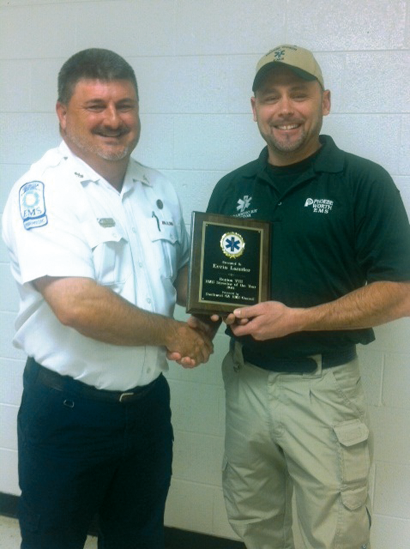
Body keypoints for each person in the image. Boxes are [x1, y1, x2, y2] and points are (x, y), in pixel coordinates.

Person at [200, 44, 410, 549]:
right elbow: (214, 287)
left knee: (334, 534)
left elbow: (400, 292)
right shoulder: (233, 188)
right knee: (254, 524)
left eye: (299, 93)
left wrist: (298, 319)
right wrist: (196, 329)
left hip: (323, 389)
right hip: (245, 381)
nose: (285, 109)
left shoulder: (364, 182)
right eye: (270, 97)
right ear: (254, 109)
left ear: (325, 101)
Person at [2, 48, 213, 549]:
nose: (113, 120)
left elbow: (182, 278)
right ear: (62, 114)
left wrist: (213, 308)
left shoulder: (159, 188)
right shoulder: (43, 191)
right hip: (68, 413)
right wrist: (173, 332)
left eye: (126, 105)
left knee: (138, 538)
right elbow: (78, 305)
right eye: (95, 106)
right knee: (54, 541)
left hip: (146, 410)